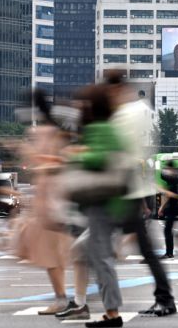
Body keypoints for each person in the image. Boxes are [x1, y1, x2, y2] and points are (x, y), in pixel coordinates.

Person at [104, 71, 176, 317]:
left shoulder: (124, 116)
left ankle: (92, 300)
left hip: (125, 191)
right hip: (131, 191)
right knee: (141, 248)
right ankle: (163, 297)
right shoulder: (139, 111)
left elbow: (120, 155)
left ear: (115, 90)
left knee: (96, 245)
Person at [73, 84, 127, 328]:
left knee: (100, 257)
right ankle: (108, 311)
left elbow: (98, 158)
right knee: (87, 251)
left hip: (101, 202)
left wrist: (75, 155)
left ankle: (112, 314)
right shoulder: (110, 128)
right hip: (108, 202)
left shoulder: (97, 129)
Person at [17, 89, 73, 316]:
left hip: (49, 200)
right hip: (55, 197)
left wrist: (33, 158)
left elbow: (49, 162)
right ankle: (65, 297)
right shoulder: (58, 132)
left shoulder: (41, 132)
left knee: (49, 252)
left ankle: (62, 298)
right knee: (54, 252)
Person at [158, 161, 178, 259]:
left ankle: (169, 252)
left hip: (173, 208)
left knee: (167, 230)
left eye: (168, 169)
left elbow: (169, 195)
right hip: (173, 208)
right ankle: (169, 252)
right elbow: (162, 175)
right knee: (168, 230)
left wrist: (161, 207)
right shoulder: (173, 179)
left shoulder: (174, 180)